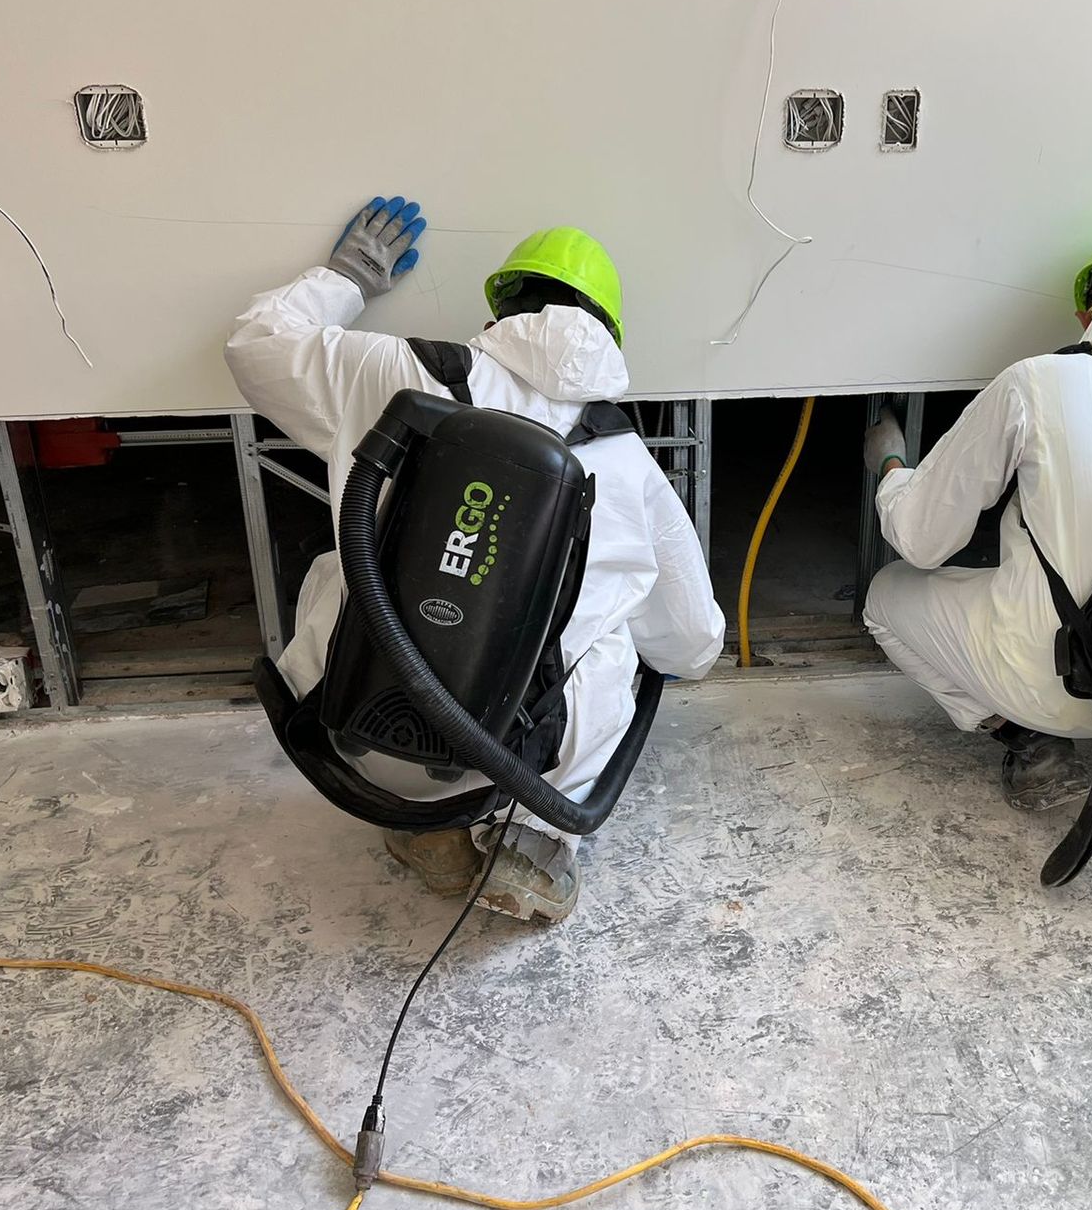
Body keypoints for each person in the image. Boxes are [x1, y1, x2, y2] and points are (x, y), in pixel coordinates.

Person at [227, 198, 724, 922]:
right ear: (609, 335)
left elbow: (256, 347)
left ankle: (418, 823)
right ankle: (534, 847)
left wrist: (351, 275)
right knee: (620, 638)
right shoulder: (627, 465)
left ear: (503, 310)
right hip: (524, 753)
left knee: (340, 570)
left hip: (361, 722)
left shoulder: (393, 372)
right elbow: (694, 642)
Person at [860, 212, 1092, 810]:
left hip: (1045, 683)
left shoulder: (1037, 383)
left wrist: (891, 466)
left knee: (885, 594)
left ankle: (1027, 739)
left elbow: (921, 538)